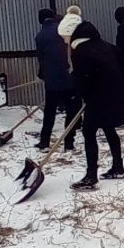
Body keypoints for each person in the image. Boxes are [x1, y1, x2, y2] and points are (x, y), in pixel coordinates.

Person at [59, 20, 124, 190]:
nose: (65, 41)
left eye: (65, 37)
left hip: (98, 97)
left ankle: (91, 176)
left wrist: (81, 93)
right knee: (109, 128)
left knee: (88, 131)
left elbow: (82, 77)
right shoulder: (105, 45)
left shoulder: (81, 51)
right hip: (114, 95)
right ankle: (118, 167)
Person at [35, 9, 82, 152]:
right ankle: (69, 143)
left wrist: (43, 74)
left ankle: (44, 143)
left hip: (52, 81)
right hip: (68, 77)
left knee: (50, 111)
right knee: (71, 111)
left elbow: (42, 60)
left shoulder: (40, 36)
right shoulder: (63, 31)